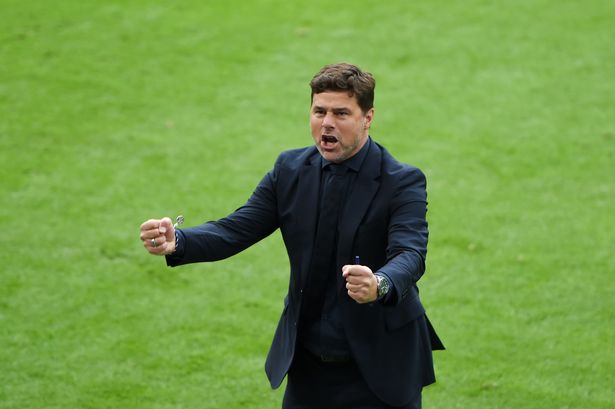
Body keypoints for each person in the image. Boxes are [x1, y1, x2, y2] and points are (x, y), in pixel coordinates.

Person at [140, 62, 444, 409]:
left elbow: (410, 253)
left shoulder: (401, 181)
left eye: (341, 113)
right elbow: (235, 229)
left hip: (381, 369)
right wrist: (178, 241)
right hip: (309, 368)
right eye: (319, 111)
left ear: (368, 117)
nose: (327, 123)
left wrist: (380, 283)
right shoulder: (290, 171)